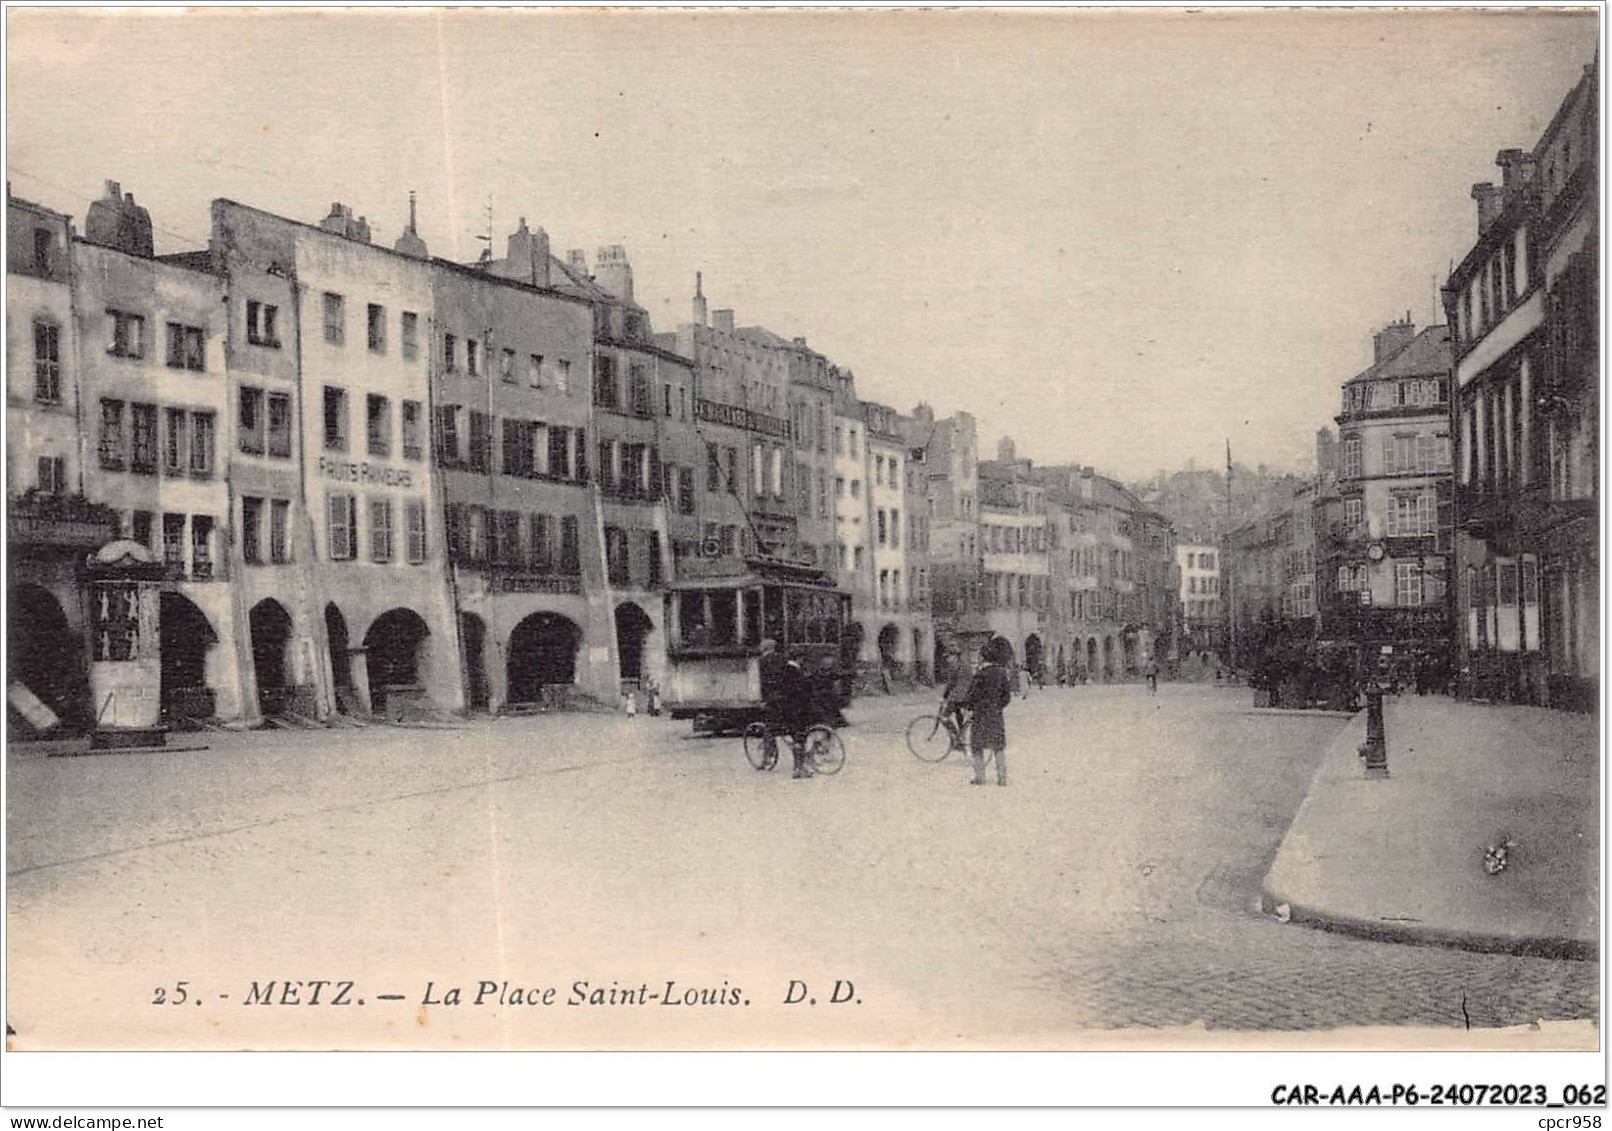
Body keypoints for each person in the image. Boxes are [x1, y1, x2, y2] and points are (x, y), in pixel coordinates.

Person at [758, 638, 814, 779]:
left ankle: (767, 757)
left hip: (777, 701)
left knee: (769, 728)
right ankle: (799, 767)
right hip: (792, 705)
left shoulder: (762, 662)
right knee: (798, 737)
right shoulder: (785, 662)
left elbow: (764, 683)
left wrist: (764, 699)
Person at [964, 636, 1015, 787]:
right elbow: (1006, 696)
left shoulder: (980, 674)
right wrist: (998, 706)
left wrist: (970, 706)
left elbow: (971, 695)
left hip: (980, 714)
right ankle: (1002, 777)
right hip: (996, 714)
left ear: (983, 658)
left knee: (977, 746)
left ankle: (980, 777)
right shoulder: (1001, 674)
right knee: (998, 746)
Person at [940, 648, 973, 751]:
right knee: (960, 718)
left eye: (949, 657)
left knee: (943, 717)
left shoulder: (955, 667)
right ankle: (960, 738)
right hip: (965, 697)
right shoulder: (965, 666)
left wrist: (945, 698)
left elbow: (951, 685)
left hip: (958, 697)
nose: (948, 659)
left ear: (955, 657)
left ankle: (957, 739)